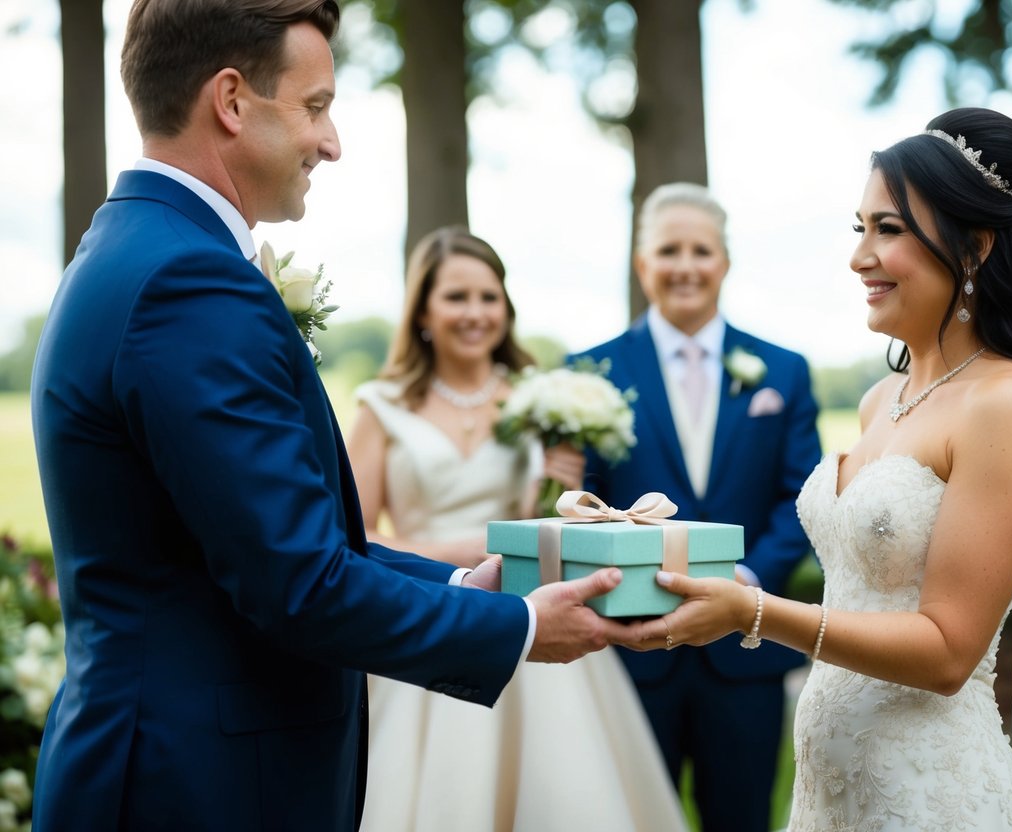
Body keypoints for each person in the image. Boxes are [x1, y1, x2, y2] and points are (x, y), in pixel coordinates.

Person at [28, 3, 637, 829]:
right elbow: (299, 585)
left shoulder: (135, 246)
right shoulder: (189, 285)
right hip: (196, 786)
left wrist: (462, 584)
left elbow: (264, 544)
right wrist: (519, 625)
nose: (331, 141)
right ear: (232, 101)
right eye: (315, 107)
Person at [628, 108, 1012, 830]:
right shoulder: (879, 400)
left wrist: (753, 613)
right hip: (834, 801)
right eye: (858, 227)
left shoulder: (1008, 403)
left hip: (935, 801)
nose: (858, 255)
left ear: (973, 247)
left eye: (887, 230)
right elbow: (858, 588)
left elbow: (946, 650)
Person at [346, 226, 687, 831]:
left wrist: (559, 489)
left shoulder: (542, 401)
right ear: (423, 307)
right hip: (436, 611)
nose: (475, 313)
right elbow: (355, 534)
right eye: (456, 297)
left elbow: (556, 525)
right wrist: (464, 552)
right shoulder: (382, 406)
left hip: (540, 616)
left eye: (488, 297)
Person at [572, 183, 824, 832]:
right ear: (640, 264)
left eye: (700, 250)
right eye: (668, 250)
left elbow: (799, 497)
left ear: (725, 262)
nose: (685, 265)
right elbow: (578, 508)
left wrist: (741, 581)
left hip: (744, 655)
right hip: (629, 648)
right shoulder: (589, 372)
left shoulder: (782, 372)